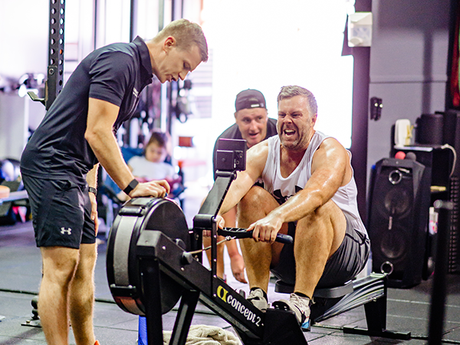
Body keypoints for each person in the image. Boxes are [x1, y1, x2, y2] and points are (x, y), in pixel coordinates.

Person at [20, 19, 208, 345]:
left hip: (76, 172)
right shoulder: (120, 62)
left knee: (85, 265)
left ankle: (87, 341)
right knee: (61, 268)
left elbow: (94, 140)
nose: (182, 76)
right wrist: (132, 186)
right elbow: (97, 132)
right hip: (52, 165)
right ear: (169, 43)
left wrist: (92, 192)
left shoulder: (136, 77)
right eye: (184, 65)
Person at [216, 85, 370, 329]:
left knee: (317, 206)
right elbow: (233, 187)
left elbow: (316, 192)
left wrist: (277, 216)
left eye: (295, 115)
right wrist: (212, 213)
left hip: (343, 254)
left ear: (313, 119)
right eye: (283, 114)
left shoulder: (329, 150)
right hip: (293, 255)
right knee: (250, 196)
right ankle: (257, 296)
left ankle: (301, 304)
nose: (287, 121)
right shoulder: (265, 151)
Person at [205, 89, 277, 284]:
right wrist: (234, 254)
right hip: (241, 201)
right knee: (208, 209)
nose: (253, 127)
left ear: (267, 115)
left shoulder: (281, 134)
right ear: (236, 118)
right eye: (246, 120)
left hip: (275, 204)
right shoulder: (225, 142)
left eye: (259, 118)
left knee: (253, 197)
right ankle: (217, 278)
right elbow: (224, 197)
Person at [117, 130, 181, 201]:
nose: (155, 155)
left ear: (166, 153)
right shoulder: (135, 161)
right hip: (135, 192)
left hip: (156, 197)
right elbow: (125, 177)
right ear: (146, 147)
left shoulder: (168, 169)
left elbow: (171, 188)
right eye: (152, 150)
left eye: (159, 153)